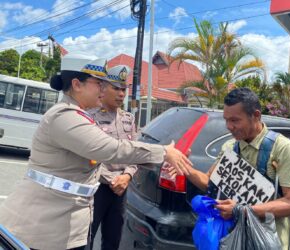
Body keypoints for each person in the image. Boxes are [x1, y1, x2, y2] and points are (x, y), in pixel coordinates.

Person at [0, 54, 191, 250]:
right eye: (98, 83)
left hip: (65, 223)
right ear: (77, 84)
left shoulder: (80, 115)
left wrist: (126, 175)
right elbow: (109, 149)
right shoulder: (64, 117)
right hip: (41, 227)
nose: (103, 88)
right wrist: (163, 153)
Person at [176, 87, 290, 250]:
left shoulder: (282, 148)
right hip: (233, 240)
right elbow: (210, 182)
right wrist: (184, 167)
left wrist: (241, 210)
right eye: (226, 120)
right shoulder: (229, 147)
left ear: (256, 116)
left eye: (235, 120)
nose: (229, 126)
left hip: (270, 243)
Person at [88, 65, 135, 250]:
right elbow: (88, 157)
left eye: (123, 89)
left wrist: (127, 176)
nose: (121, 94)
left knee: (113, 239)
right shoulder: (90, 116)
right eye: (116, 88)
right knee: (87, 238)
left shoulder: (128, 119)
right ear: (102, 88)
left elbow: (134, 153)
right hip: (97, 187)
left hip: (121, 189)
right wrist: (113, 180)